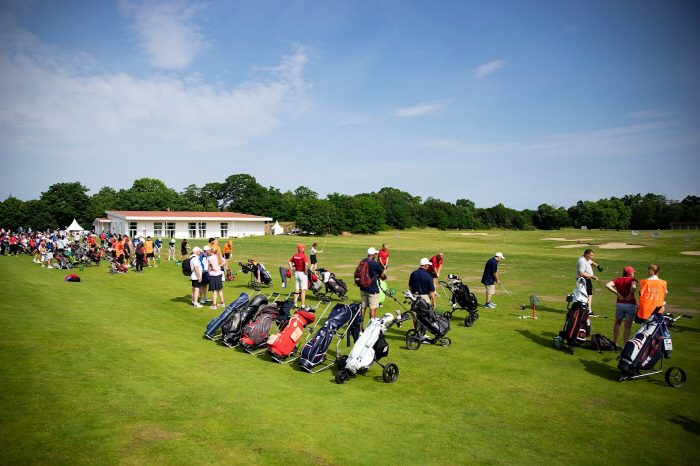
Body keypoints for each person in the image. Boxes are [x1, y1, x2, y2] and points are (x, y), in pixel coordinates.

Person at [605, 266, 638, 347]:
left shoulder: (618, 279)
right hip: (630, 304)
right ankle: (624, 344)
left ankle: (615, 341)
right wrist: (630, 294)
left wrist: (617, 293)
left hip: (620, 304)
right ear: (631, 274)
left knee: (617, 323)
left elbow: (608, 285)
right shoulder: (632, 280)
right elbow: (634, 286)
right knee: (627, 327)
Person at [358, 247, 387, 330]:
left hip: (363, 287)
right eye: (375, 254)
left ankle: (360, 328)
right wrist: (384, 276)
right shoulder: (374, 263)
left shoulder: (362, 261)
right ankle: (371, 329)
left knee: (363, 308)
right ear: (373, 255)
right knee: (373, 309)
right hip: (372, 289)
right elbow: (382, 275)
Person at [409, 258, 437, 339]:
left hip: (414, 296)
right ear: (425, 265)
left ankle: (416, 331)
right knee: (425, 316)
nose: (428, 266)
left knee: (415, 315)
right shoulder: (428, 275)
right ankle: (422, 334)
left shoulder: (413, 273)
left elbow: (410, 287)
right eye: (428, 265)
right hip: (424, 297)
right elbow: (432, 291)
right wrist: (434, 301)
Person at [576, 249, 601, 314]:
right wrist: (592, 276)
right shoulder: (582, 261)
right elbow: (581, 273)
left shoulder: (586, 259)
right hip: (583, 280)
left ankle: (587, 310)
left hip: (587, 280)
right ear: (587, 254)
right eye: (591, 255)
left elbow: (591, 262)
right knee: (586, 295)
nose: (592, 256)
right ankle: (587, 310)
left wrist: (597, 266)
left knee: (589, 295)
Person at [289, 244, 309, 308]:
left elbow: (289, 262)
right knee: (303, 290)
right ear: (301, 249)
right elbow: (306, 264)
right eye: (303, 248)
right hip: (302, 273)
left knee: (296, 290)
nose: (304, 249)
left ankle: (295, 305)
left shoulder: (295, 255)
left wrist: (292, 268)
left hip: (297, 273)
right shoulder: (304, 256)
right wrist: (306, 271)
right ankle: (302, 306)